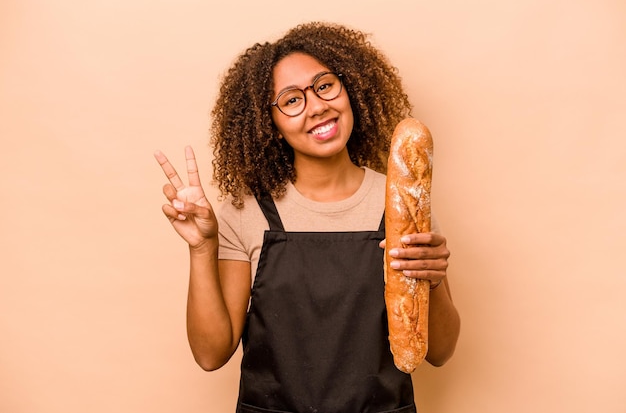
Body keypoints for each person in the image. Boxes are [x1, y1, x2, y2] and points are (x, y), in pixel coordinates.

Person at [155, 22, 460, 413]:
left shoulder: (403, 202)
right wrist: (202, 248)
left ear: (350, 88)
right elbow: (211, 354)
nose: (316, 106)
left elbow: (441, 351)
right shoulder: (247, 212)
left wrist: (432, 282)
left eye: (324, 86)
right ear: (273, 125)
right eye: (291, 100)